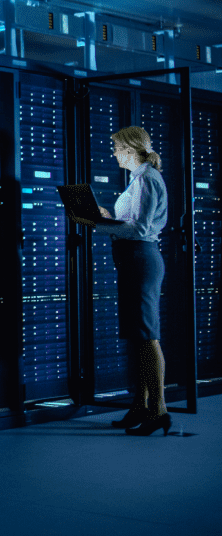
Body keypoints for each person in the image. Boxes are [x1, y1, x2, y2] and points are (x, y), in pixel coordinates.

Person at [97, 126, 171, 436]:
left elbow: (140, 229)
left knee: (147, 335)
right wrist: (108, 220)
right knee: (138, 336)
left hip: (141, 258)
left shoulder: (146, 179)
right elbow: (133, 223)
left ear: (129, 149)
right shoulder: (138, 179)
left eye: (116, 148)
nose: (114, 154)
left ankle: (158, 410)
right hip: (133, 260)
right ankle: (140, 406)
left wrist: (100, 225)